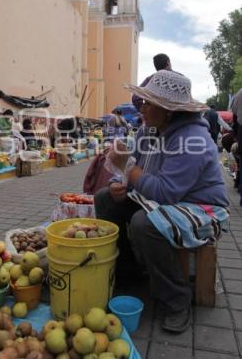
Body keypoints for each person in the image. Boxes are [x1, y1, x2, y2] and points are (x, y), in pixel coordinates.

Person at [95, 70, 229, 334]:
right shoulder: (148, 132)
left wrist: (128, 167)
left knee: (145, 222)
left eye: (148, 102)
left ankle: (177, 300)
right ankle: (129, 271)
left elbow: (165, 192)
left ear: (169, 110)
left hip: (202, 209)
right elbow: (132, 171)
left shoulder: (194, 140)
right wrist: (118, 183)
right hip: (161, 200)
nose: (141, 107)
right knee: (105, 198)